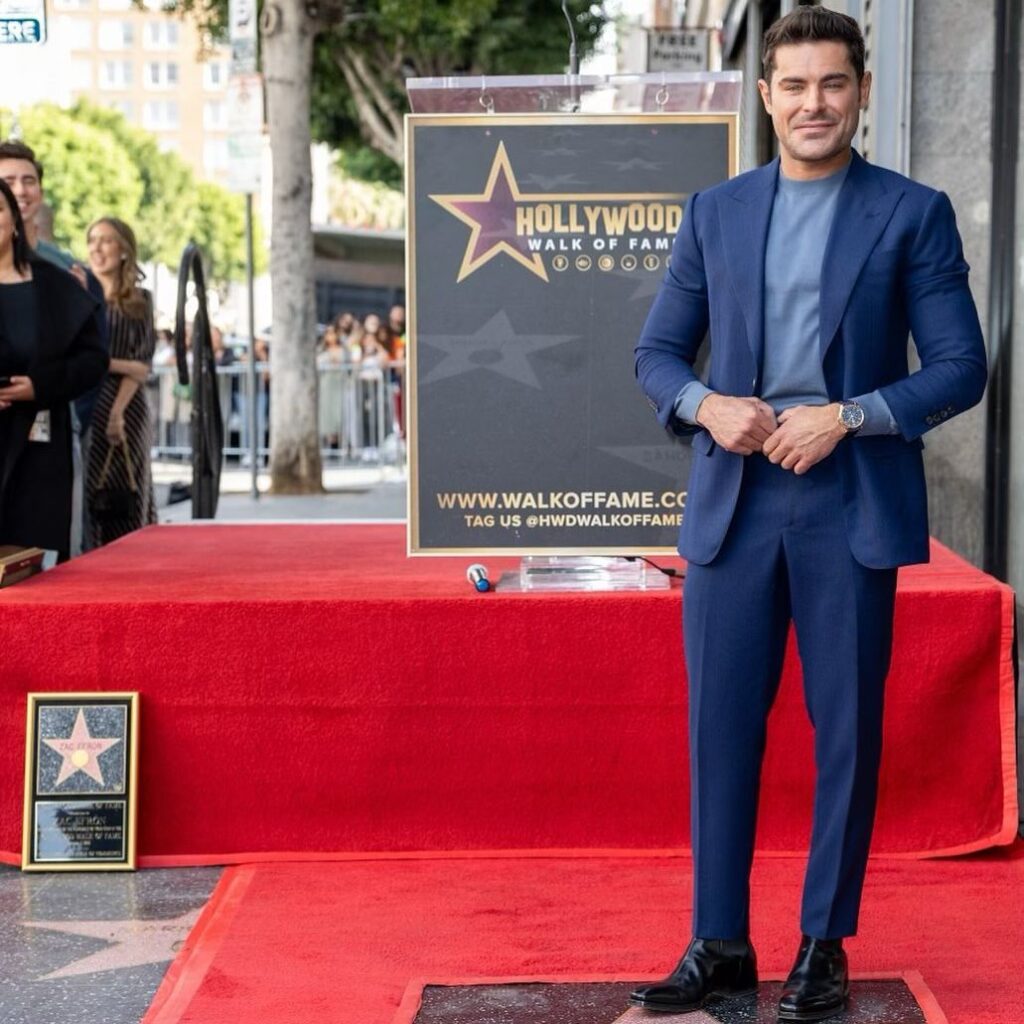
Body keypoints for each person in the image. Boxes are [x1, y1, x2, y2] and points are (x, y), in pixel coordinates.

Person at [630, 8, 986, 1023]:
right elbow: (657, 355)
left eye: (832, 83)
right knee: (720, 726)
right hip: (734, 503)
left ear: (862, 92)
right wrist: (711, 405)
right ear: (765, 94)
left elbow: (960, 366)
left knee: (845, 730)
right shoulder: (715, 212)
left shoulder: (910, 212)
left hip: (848, 495)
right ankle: (720, 939)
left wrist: (850, 415)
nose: (812, 103)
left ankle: (822, 942)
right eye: (793, 85)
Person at [0, 179, 108, 561]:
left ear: (14, 220)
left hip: (37, 447)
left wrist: (41, 386)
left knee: (25, 571)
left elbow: (93, 360)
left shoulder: (55, 285)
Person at [84, 217, 157, 547]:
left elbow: (141, 367)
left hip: (127, 407)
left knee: (128, 487)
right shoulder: (78, 293)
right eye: (92, 240)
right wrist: (115, 364)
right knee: (87, 493)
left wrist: (116, 412)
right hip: (84, 402)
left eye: (106, 240)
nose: (97, 248)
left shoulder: (139, 301)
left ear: (124, 250)